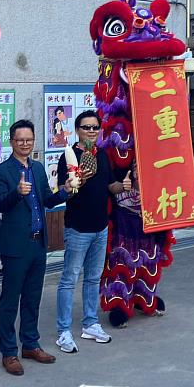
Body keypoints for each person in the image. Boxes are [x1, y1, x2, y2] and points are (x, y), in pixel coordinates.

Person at [0, 119, 70, 376]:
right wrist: (17, 192)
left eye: (29, 140)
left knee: (33, 297)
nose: (25, 144)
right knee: (9, 301)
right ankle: (9, 352)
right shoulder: (1, 171)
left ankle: (30, 344)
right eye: (20, 140)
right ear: (11, 142)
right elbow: (2, 205)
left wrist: (64, 192)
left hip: (39, 243)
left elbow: (47, 198)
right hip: (15, 246)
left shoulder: (37, 169)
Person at [55, 110, 128, 354]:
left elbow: (111, 186)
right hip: (77, 228)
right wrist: (78, 181)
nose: (91, 131)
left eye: (95, 127)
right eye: (86, 127)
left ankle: (90, 324)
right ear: (77, 130)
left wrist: (125, 185)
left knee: (93, 278)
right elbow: (69, 190)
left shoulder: (103, 155)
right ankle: (63, 331)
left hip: (100, 227)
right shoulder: (69, 156)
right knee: (69, 279)